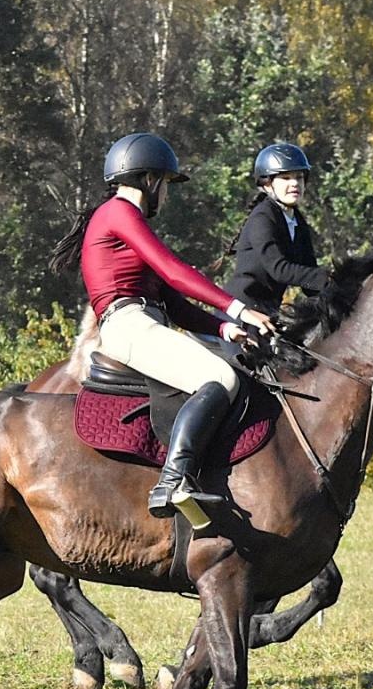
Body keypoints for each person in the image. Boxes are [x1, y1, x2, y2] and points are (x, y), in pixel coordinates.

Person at [50, 132, 274, 521]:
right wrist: (237, 309)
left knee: (230, 371)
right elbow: (173, 271)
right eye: (166, 185)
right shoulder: (118, 212)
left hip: (146, 320)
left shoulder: (129, 222)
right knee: (221, 377)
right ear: (149, 180)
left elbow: (176, 306)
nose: (167, 195)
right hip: (126, 324)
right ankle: (173, 480)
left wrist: (225, 330)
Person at [227, 142, 330, 316]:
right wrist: (329, 278)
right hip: (242, 311)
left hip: (268, 312)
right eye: (286, 178)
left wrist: (339, 295)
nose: (295, 184)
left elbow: (308, 274)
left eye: (299, 177)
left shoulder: (297, 221)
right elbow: (279, 269)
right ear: (267, 184)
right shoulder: (262, 217)